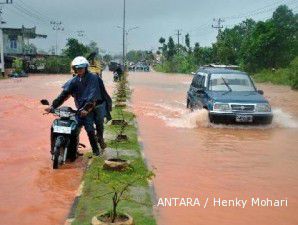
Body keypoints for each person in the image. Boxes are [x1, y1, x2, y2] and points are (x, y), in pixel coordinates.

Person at [45, 56, 102, 156]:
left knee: (89, 129)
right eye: (77, 68)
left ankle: (96, 151)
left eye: (81, 67)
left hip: (90, 108)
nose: (79, 70)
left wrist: (86, 109)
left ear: (85, 67)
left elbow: (93, 96)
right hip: (79, 109)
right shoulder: (74, 80)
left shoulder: (93, 78)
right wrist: (53, 106)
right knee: (74, 129)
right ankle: (73, 149)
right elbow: (64, 95)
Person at [93, 76, 112, 150]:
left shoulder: (99, 87)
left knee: (99, 123)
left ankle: (100, 139)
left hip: (99, 106)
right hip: (86, 107)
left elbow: (106, 98)